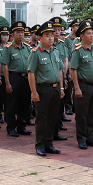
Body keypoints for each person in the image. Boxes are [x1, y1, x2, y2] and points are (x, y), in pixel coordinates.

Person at [28, 21, 64, 157]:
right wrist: (34, 92)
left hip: (55, 89)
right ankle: (40, 145)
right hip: (43, 89)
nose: (50, 38)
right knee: (42, 118)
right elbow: (31, 73)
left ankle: (49, 144)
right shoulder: (35, 53)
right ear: (40, 38)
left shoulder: (55, 51)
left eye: (52, 35)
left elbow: (60, 69)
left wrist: (61, 87)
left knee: (52, 118)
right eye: (47, 35)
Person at [70, 20, 93, 149]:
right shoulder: (78, 50)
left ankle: (90, 137)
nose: (92, 35)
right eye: (88, 33)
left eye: (92, 33)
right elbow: (73, 70)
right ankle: (81, 139)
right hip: (83, 86)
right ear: (81, 36)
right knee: (82, 114)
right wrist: (77, 88)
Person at [1, 21, 32, 137]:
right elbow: (5, 65)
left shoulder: (27, 48)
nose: (20, 35)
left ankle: (21, 126)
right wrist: (8, 83)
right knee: (11, 104)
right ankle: (11, 127)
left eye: (22, 32)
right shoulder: (8, 48)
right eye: (18, 32)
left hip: (25, 78)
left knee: (24, 103)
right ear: (12, 35)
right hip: (13, 77)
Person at [51, 17, 71, 136]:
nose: (57, 32)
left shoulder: (62, 44)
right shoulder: (44, 45)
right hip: (48, 79)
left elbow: (65, 61)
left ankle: (57, 128)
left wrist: (64, 77)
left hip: (60, 79)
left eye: (59, 29)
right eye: (55, 29)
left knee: (59, 105)